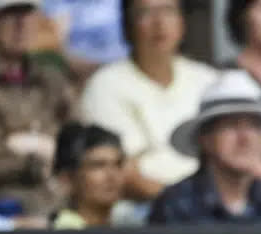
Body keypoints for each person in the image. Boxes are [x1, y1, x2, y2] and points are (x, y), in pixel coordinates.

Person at [79, 0, 218, 204]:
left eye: (168, 11)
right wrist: (185, 205)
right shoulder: (105, 85)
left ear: (182, 21)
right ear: (127, 25)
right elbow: (123, 173)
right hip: (144, 211)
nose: (159, 23)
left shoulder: (208, 80)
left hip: (213, 205)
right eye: (145, 13)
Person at [148, 70, 261, 225]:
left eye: (254, 126)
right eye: (231, 125)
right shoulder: (175, 204)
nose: (245, 138)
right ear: (205, 139)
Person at [0, 0, 74, 216]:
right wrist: (43, 155)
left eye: (28, 12)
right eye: (9, 13)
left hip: (58, 203)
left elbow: (77, 144)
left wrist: (19, 144)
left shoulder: (51, 78)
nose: (21, 23)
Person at [50, 122, 131, 229]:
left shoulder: (129, 229)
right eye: (98, 165)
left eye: (118, 164)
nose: (112, 175)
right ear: (67, 179)